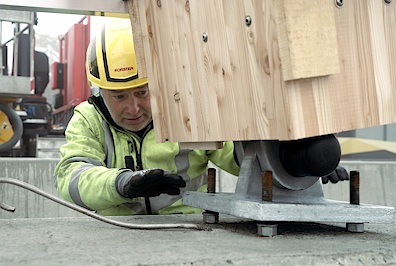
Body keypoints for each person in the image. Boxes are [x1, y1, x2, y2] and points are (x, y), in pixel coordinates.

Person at [54, 19, 348, 216]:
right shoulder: (88, 119)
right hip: (115, 233)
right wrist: (122, 183)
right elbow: (70, 179)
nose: (133, 108)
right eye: (119, 96)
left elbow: (243, 158)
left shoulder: (188, 114)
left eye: (144, 92)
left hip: (188, 233)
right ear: (99, 89)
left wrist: (298, 159)